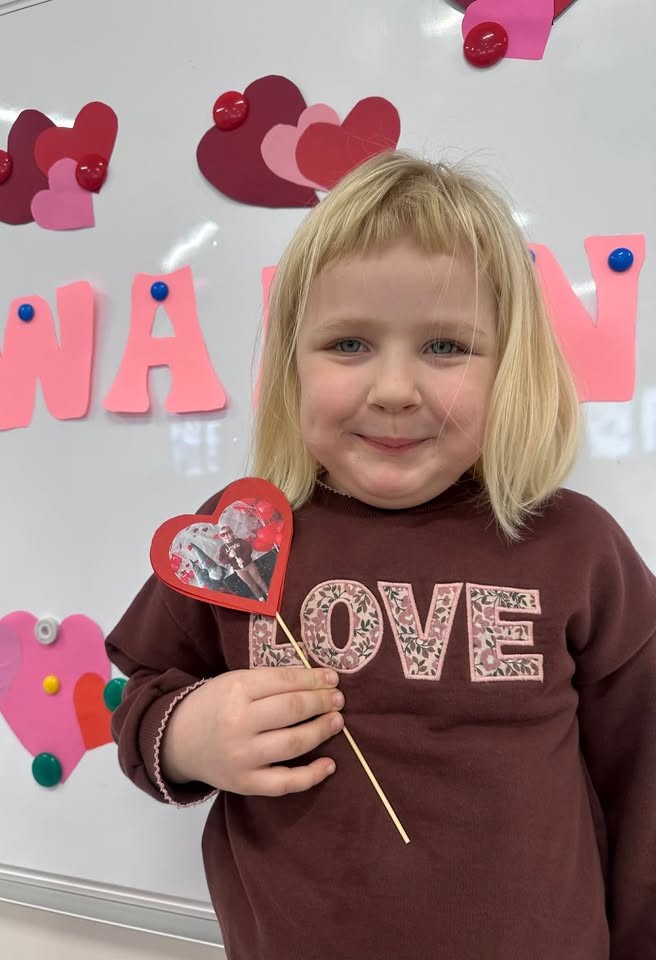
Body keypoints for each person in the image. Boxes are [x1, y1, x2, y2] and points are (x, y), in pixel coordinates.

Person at [105, 150, 656, 960]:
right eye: (349, 344)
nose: (394, 389)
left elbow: (642, 779)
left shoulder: (576, 546)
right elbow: (141, 692)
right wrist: (187, 735)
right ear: (292, 365)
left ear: (512, 364)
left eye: (446, 346)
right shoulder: (240, 535)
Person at [217, 524, 270, 600]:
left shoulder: (239, 541)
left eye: (228, 532)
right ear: (221, 537)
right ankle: (260, 597)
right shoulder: (223, 548)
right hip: (239, 570)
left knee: (259, 579)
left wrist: (243, 558)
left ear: (232, 532)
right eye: (223, 534)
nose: (226, 535)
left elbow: (248, 549)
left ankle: (268, 593)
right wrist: (229, 556)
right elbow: (222, 560)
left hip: (249, 565)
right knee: (250, 584)